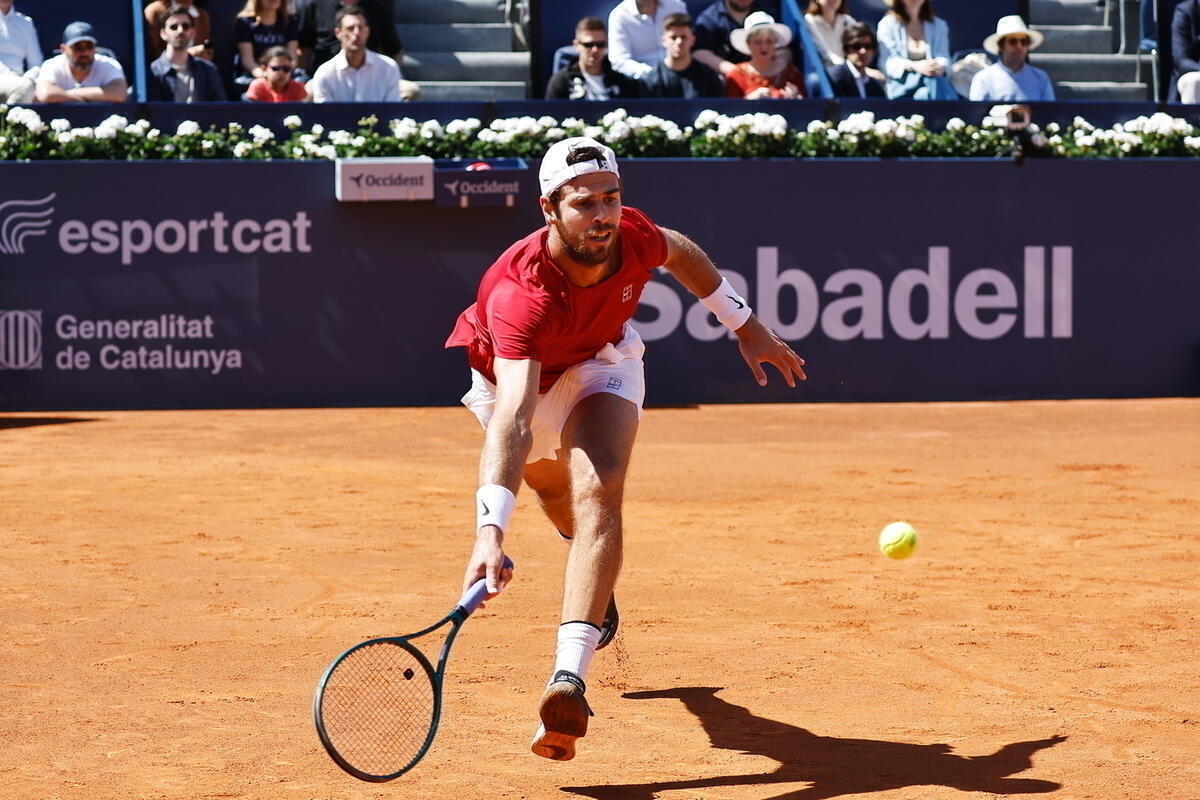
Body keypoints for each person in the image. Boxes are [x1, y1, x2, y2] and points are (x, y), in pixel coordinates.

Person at [446, 136, 806, 763]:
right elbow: (515, 418)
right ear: (548, 209)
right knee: (555, 493)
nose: (604, 215)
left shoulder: (632, 235)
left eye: (612, 198)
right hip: (517, 381)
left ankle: (568, 676)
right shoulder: (519, 294)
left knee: (598, 490)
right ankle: (590, 568)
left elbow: (682, 252)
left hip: (602, 363)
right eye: (584, 203)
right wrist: (489, 533)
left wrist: (745, 326)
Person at [306, 5, 404, 102]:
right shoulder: (325, 73)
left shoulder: (388, 68)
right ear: (338, 33)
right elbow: (325, 114)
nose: (356, 33)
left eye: (360, 27)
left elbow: (392, 111)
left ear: (367, 32)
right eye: (350, 28)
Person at [545, 17, 642, 101]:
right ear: (576, 45)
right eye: (588, 45)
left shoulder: (621, 82)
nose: (595, 50)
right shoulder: (561, 82)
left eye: (600, 44)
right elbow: (551, 117)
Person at [876, 0, 956, 100]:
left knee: (925, 92)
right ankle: (951, 113)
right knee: (930, 87)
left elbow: (943, 56)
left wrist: (936, 67)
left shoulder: (939, 24)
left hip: (932, 84)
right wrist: (916, 66)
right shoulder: (887, 24)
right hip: (902, 88)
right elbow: (889, 62)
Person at [34, 21, 128, 103]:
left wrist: (72, 93)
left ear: (95, 47)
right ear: (63, 49)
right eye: (77, 47)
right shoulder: (51, 65)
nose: (84, 52)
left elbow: (120, 93)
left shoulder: (110, 64)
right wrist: (91, 97)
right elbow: (45, 94)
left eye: (89, 46)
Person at [147, 5, 227, 102]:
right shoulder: (154, 72)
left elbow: (219, 110)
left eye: (185, 26)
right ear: (163, 33)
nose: (180, 31)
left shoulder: (209, 70)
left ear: (193, 32)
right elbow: (156, 112)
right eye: (173, 27)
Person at [968, 15, 1054, 102]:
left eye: (1024, 42)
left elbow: (1049, 113)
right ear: (1001, 46)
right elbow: (976, 113)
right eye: (1013, 41)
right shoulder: (983, 78)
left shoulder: (1041, 77)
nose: (1019, 46)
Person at [640, 12, 725, 98]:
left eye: (684, 37)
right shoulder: (651, 80)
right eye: (673, 37)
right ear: (663, 41)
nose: (679, 42)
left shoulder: (708, 78)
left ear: (693, 40)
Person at [693, 0, 783, 80]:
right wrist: (740, 74)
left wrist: (773, 71)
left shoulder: (766, 14)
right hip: (727, 83)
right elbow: (699, 53)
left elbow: (785, 49)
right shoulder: (709, 18)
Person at [724, 11, 803, 98]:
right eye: (758, 42)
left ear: (775, 43)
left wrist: (796, 98)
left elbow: (808, 106)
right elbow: (728, 108)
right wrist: (748, 100)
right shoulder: (735, 76)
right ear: (748, 44)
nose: (764, 47)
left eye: (769, 41)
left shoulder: (791, 73)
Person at [607, 0, 687, 79]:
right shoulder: (619, 16)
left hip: (681, 72)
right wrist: (651, 74)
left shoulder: (676, 6)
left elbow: (688, 39)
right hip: (644, 82)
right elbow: (619, 61)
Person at [234, 0, 300, 83]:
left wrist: (283, 73)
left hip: (285, 74)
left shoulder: (289, 21)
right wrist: (264, 75)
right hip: (256, 76)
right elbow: (247, 60)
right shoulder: (245, 22)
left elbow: (293, 57)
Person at [828, 22, 885, 97]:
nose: (863, 51)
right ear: (846, 50)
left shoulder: (876, 86)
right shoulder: (835, 77)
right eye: (856, 46)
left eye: (868, 46)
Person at [0, 0, 41, 104]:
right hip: (16, 82)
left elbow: (36, 62)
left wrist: (29, 80)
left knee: (27, 88)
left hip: (19, 83)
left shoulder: (26, 23)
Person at [144, 0, 212, 61]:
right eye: (173, 27)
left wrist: (205, 54)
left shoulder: (202, 15)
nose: (180, 30)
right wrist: (187, 54)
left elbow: (205, 51)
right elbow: (152, 53)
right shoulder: (154, 11)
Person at [804, 0, 857, 69]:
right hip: (826, 70)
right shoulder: (809, 20)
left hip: (848, 70)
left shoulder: (848, 20)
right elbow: (823, 52)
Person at [1171, 0, 1200, 103]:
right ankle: (1194, 119)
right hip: (1194, 71)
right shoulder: (1185, 11)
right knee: (1194, 81)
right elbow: (1181, 60)